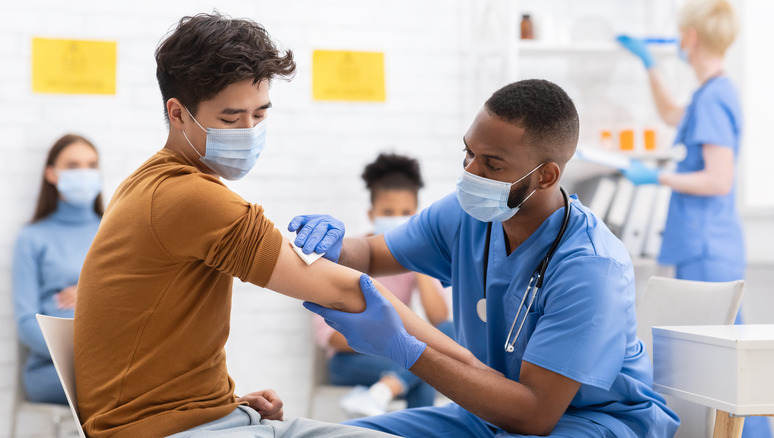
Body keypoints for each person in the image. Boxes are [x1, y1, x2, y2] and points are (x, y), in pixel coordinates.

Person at [72, 12, 482, 438]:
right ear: (177, 113)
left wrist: (223, 401)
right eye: (231, 119)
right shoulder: (188, 197)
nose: (249, 132)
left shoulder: (150, 183)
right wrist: (475, 371)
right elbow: (346, 290)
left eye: (260, 115)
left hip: (202, 417)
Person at [290, 79, 680, 437]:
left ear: (546, 176)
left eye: (492, 164)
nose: (469, 173)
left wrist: (408, 350)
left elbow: (536, 415)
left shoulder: (592, 268)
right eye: (469, 153)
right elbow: (373, 255)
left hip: (586, 423)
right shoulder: (467, 217)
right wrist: (337, 245)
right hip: (490, 416)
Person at [617, 2, 771, 436]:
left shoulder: (715, 96)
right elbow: (671, 115)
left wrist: (657, 176)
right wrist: (649, 65)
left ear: (690, 38)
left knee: (724, 363)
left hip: (708, 245)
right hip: (703, 243)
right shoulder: (711, 93)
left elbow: (719, 179)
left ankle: (752, 433)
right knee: (721, 358)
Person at [314, 153, 455, 418]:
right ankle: (389, 392)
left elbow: (439, 320)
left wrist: (415, 260)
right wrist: (388, 341)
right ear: (371, 213)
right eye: (388, 213)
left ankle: (382, 392)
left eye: (405, 214)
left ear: (416, 216)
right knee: (424, 365)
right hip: (349, 362)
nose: (396, 219)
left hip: (395, 355)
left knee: (447, 336)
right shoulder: (345, 255)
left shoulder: (414, 258)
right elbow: (328, 336)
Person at [12, 134, 103, 405]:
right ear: (51, 174)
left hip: (111, 361)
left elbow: (139, 300)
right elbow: (26, 322)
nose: (84, 173)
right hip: (51, 369)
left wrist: (89, 292)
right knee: (116, 388)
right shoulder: (32, 237)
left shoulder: (115, 232)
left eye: (91, 165)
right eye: (73, 166)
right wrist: (84, 355)